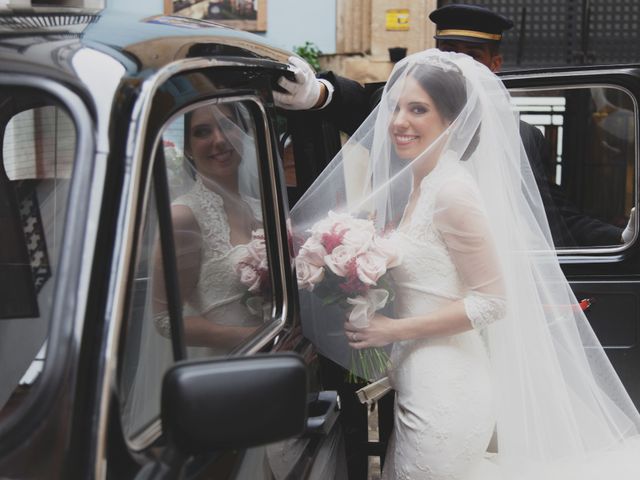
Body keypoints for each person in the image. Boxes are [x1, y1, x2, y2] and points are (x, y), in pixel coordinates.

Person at [291, 49, 640, 479]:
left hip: (448, 390)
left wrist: (391, 329)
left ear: (452, 121)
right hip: (419, 377)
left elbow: (492, 302)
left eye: (418, 109)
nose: (399, 121)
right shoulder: (421, 186)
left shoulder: (452, 193)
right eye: (395, 106)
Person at [276, 4, 635, 248]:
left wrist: (623, 239)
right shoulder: (405, 114)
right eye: (446, 49)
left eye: (471, 55)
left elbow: (557, 218)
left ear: (494, 63)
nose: (455, 63)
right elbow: (356, 100)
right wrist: (318, 92)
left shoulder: (522, 138)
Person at [153, 103, 265, 355]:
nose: (219, 140)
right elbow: (165, 321)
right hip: (232, 372)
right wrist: (257, 338)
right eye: (202, 132)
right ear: (188, 148)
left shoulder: (263, 209)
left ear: (241, 132)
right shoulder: (182, 217)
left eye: (227, 125)